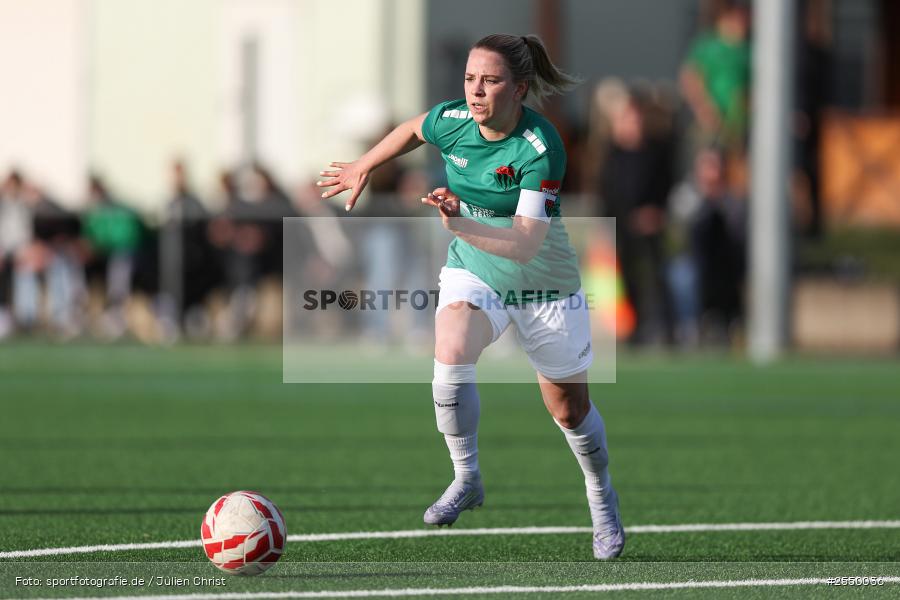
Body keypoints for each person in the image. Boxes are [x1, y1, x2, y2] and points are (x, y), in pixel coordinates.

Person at [317, 33, 624, 560]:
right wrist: (363, 163)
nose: (475, 91)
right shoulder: (454, 118)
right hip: (475, 269)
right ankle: (467, 477)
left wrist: (458, 222)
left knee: (569, 410)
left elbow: (526, 244)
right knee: (451, 347)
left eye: (490, 80)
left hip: (541, 282)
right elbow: (414, 128)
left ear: (520, 89)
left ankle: (602, 499)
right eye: (469, 79)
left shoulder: (540, 146)